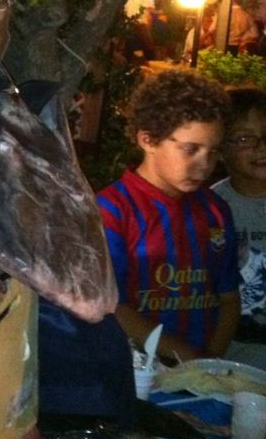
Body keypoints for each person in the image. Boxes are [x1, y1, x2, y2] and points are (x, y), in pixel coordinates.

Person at [97, 71, 240, 363]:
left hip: (202, 372)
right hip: (134, 373)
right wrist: (190, 361)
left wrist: (208, 365)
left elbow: (228, 298)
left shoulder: (215, 209)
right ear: (148, 140)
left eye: (213, 152)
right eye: (190, 150)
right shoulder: (110, 211)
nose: (205, 166)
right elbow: (111, 306)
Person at [214, 88, 266, 368]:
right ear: (220, 149)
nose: (261, 146)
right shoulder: (210, 209)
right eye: (246, 138)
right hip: (229, 365)